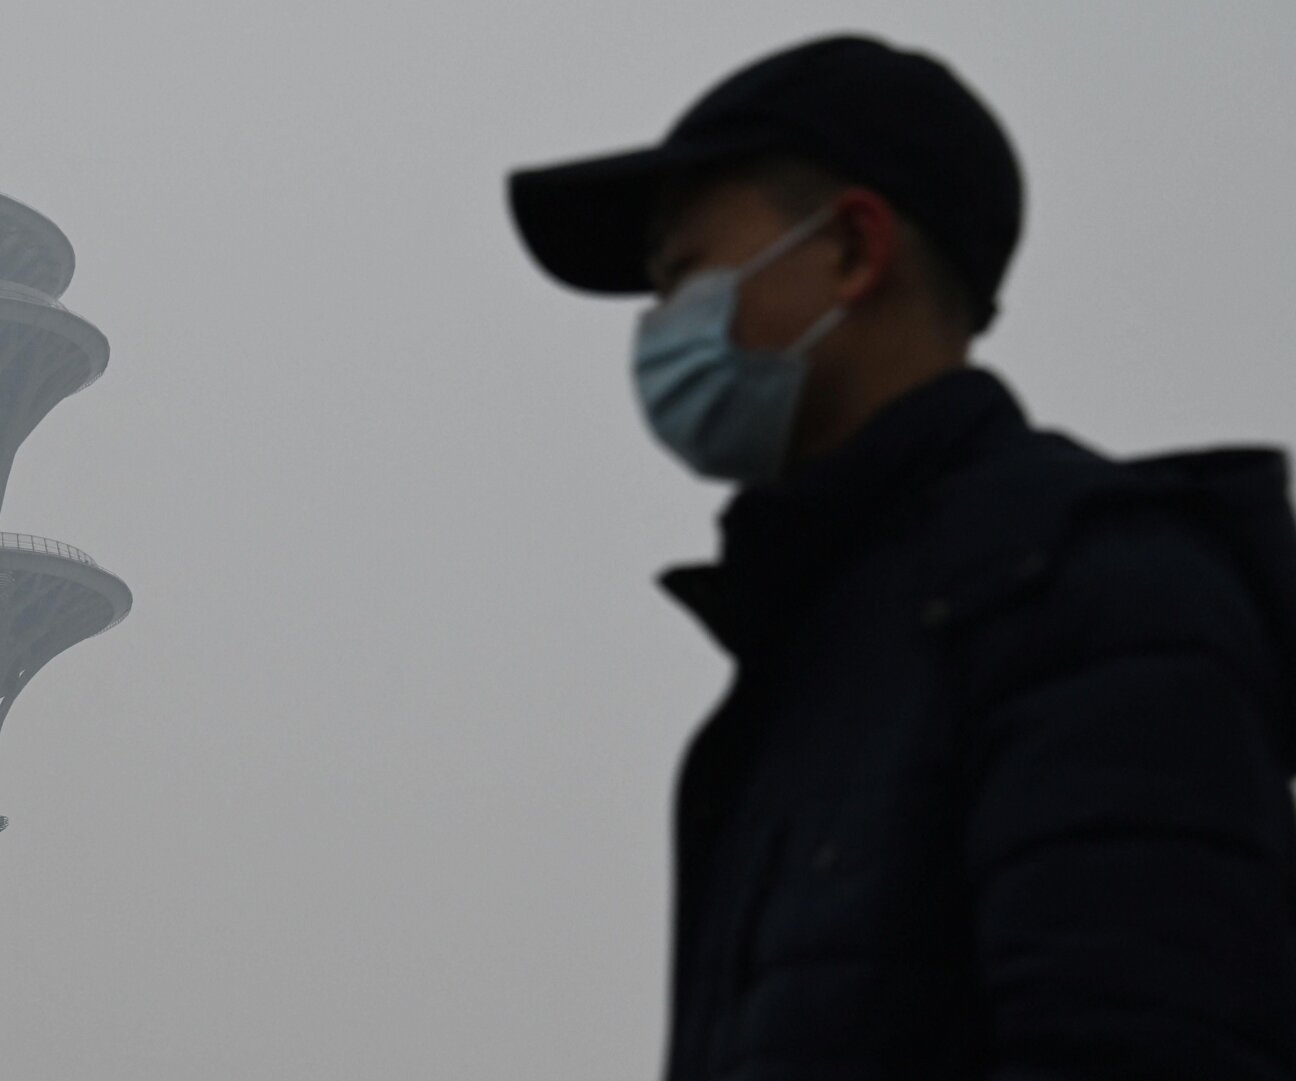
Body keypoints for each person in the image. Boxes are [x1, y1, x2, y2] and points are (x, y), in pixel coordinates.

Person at [506, 33, 1296, 1080]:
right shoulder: (832, 655)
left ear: (852, 250)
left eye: (685, 275)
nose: (658, 330)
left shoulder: (1083, 599)